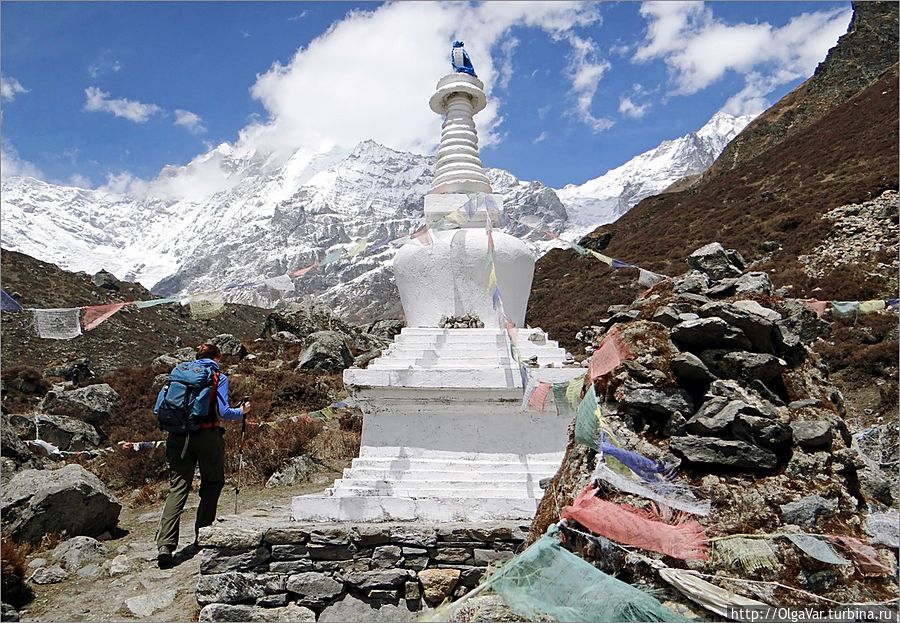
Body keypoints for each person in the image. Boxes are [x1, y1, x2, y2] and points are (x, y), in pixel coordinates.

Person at [155, 343, 250, 568]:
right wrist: (242, 411)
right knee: (213, 482)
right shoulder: (217, 377)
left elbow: (158, 408)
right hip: (207, 435)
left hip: (177, 437)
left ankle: (165, 545)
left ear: (197, 357)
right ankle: (203, 535)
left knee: (178, 488)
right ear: (217, 357)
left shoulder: (178, 374)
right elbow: (224, 412)